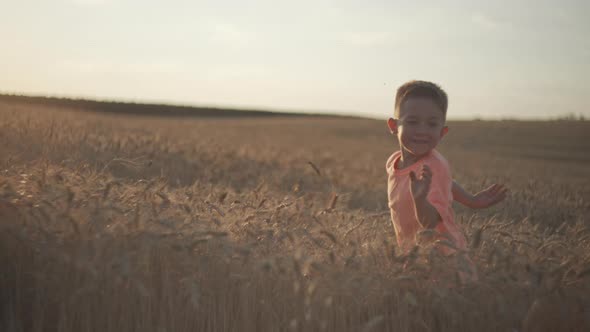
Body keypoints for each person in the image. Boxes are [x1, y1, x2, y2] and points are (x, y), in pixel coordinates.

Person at [385, 80, 507, 282]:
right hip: (417, 257)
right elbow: (445, 182)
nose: (422, 130)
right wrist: (470, 199)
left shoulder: (435, 166)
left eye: (432, 124)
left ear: (442, 132)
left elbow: (430, 223)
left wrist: (420, 199)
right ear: (393, 125)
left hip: (445, 264)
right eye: (413, 122)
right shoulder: (393, 161)